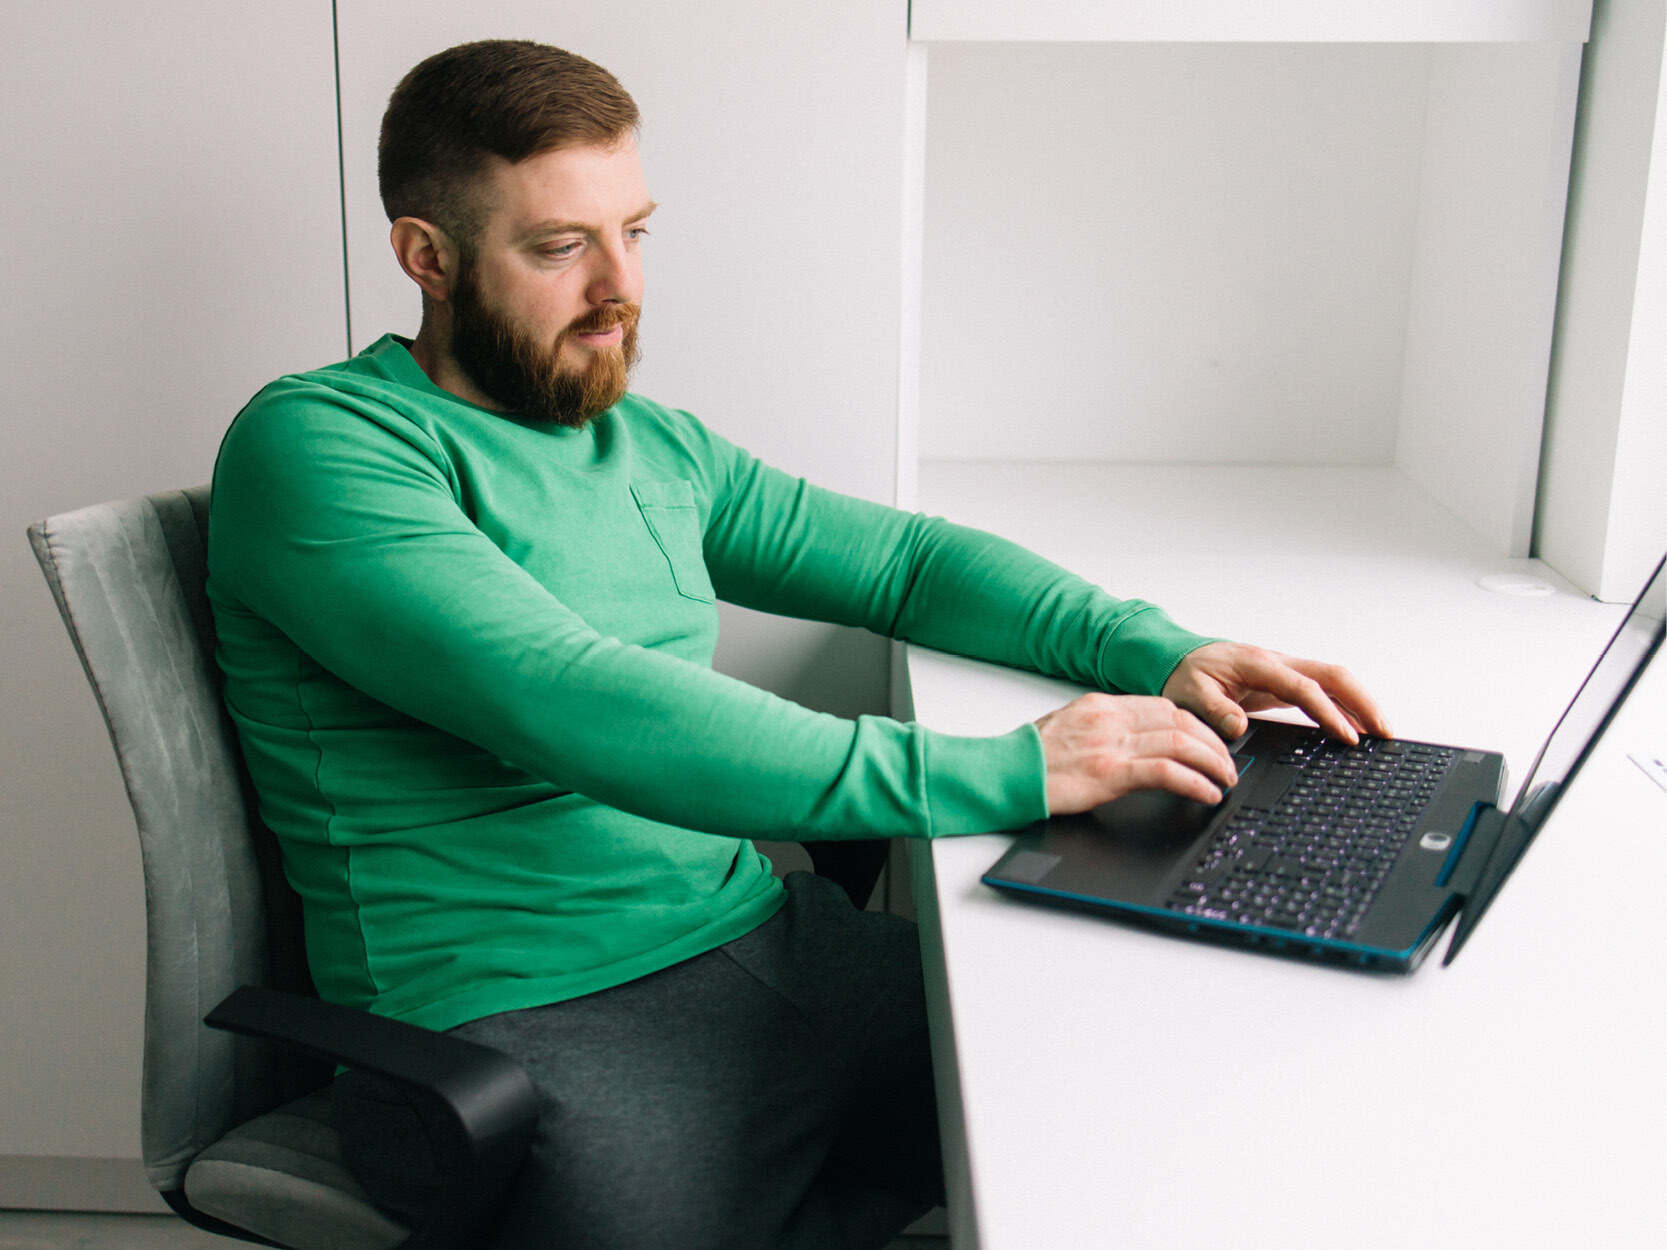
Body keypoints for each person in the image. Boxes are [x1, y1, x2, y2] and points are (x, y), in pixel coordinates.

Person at [207, 39, 1391, 1250]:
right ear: (427, 256)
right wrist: (1009, 770)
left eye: (637, 232)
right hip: (514, 1018)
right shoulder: (325, 446)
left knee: (1145, 1115)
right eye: (561, 247)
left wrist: (1152, 646)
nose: (620, 285)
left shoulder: (646, 443)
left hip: (758, 940)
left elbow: (902, 563)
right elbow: (567, 697)